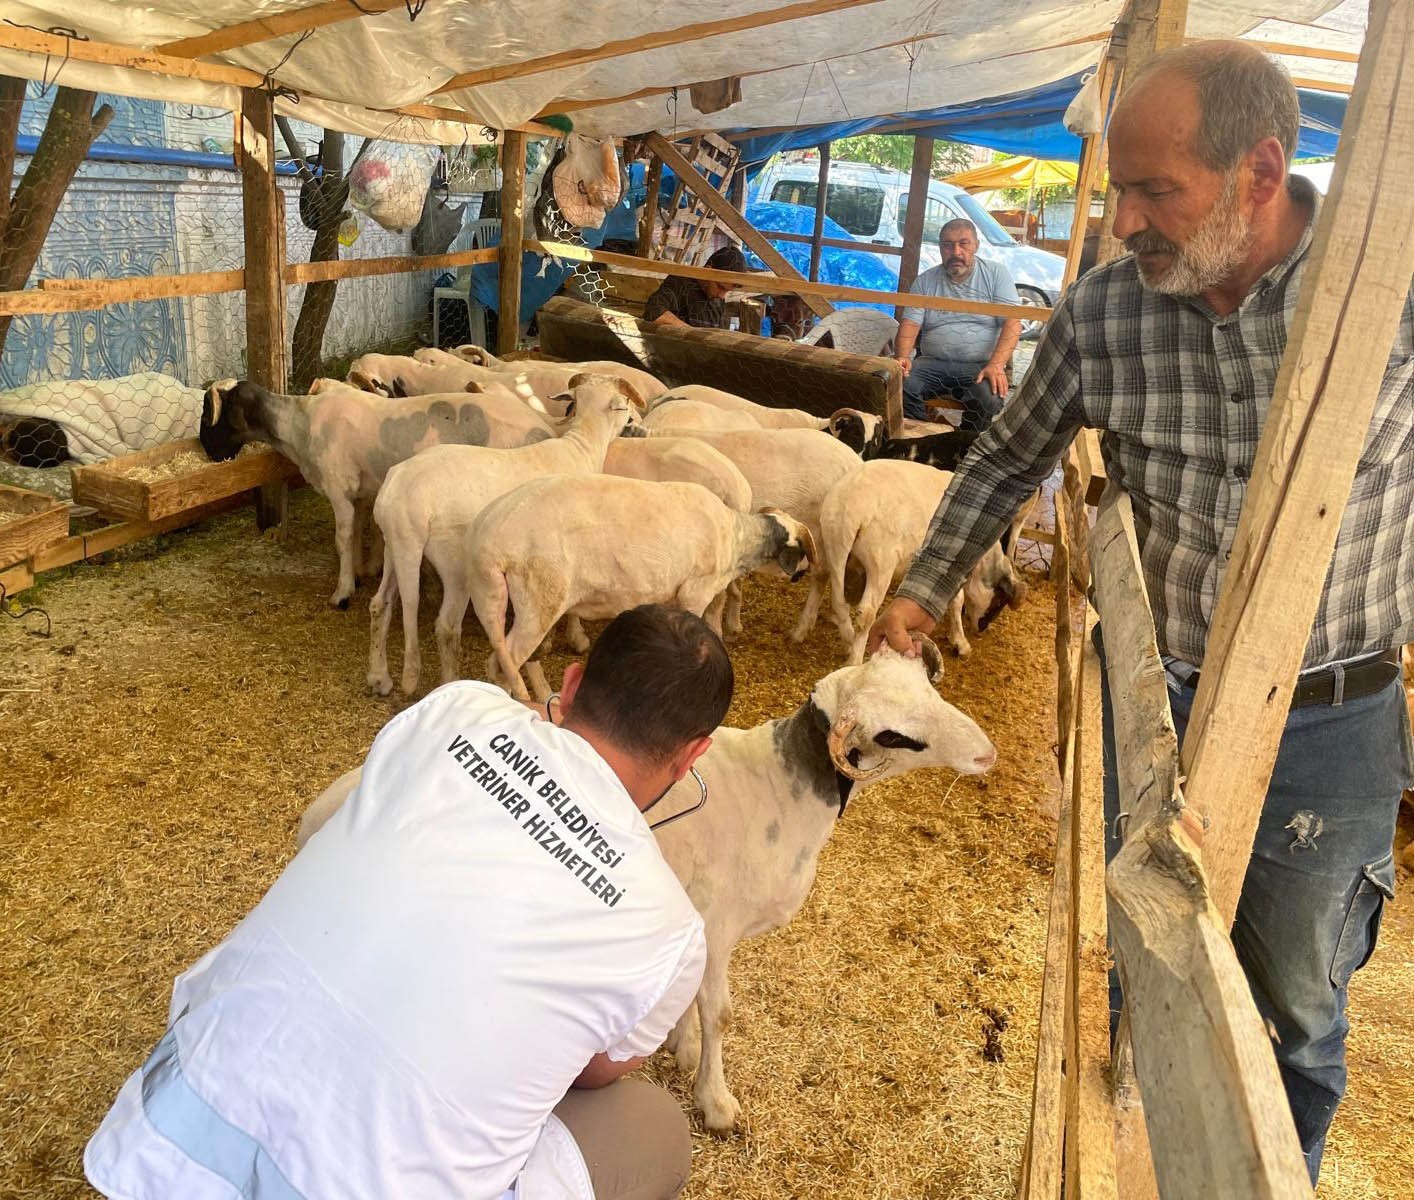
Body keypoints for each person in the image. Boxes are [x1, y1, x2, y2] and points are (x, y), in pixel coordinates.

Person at [870, 41, 1414, 1185]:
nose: (1122, 221)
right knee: (1150, 955)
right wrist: (923, 589)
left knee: (1299, 1003)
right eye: (1119, 187)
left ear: (1259, 173)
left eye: (1153, 188)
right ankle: (1137, 1145)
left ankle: (1282, 1174)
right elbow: (1005, 460)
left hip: (1333, 713)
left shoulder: (1385, 300)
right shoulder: (1104, 314)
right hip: (1154, 700)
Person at [85, 605, 734, 1200]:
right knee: (651, 1125)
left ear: (568, 684)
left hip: (162, 1140)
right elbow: (590, 1074)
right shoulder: (668, 932)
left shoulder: (458, 711)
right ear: (691, 755)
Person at [895, 218, 1023, 430]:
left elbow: (1013, 323)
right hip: (932, 363)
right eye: (947, 245)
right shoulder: (925, 281)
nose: (956, 252)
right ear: (940, 248)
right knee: (899, 383)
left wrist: (997, 365)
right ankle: (924, 441)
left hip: (981, 365)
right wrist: (901, 357)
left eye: (963, 243)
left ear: (976, 246)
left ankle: (964, 447)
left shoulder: (995, 274)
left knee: (988, 396)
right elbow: (910, 323)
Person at [644, 244, 748, 328]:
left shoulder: (717, 301)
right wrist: (692, 334)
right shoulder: (680, 282)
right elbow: (653, 310)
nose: (722, 296)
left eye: (727, 291)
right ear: (708, 271)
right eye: (720, 287)